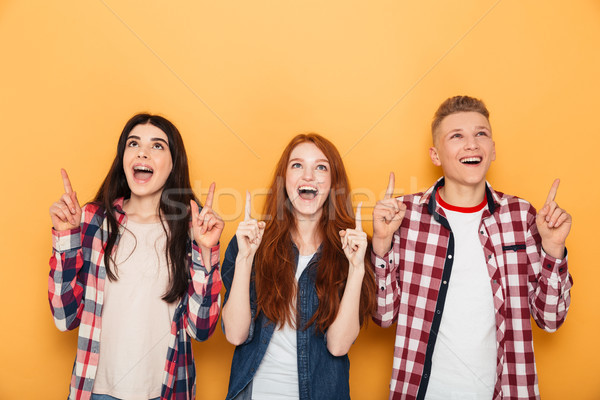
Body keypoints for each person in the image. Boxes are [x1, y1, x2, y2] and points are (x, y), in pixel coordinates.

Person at [372, 96, 573, 400]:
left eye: (481, 134)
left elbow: (551, 318)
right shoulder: (404, 215)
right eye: (457, 136)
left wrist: (554, 250)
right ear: (435, 155)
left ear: (493, 150)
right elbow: (382, 315)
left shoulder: (521, 216)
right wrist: (382, 244)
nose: (472, 144)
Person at [48, 113, 224, 400]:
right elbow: (63, 317)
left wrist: (206, 250)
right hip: (96, 391)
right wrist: (66, 236)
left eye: (157, 146)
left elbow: (201, 329)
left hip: (166, 391)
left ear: (172, 165)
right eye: (134, 144)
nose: (143, 151)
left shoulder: (193, 228)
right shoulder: (93, 220)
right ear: (123, 159)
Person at [221, 133, 376, 400]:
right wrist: (246, 258)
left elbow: (338, 346)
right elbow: (235, 334)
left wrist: (357, 269)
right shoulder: (250, 243)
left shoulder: (352, 250)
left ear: (333, 182)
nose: (308, 177)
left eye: (320, 167)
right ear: (284, 180)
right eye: (297, 165)